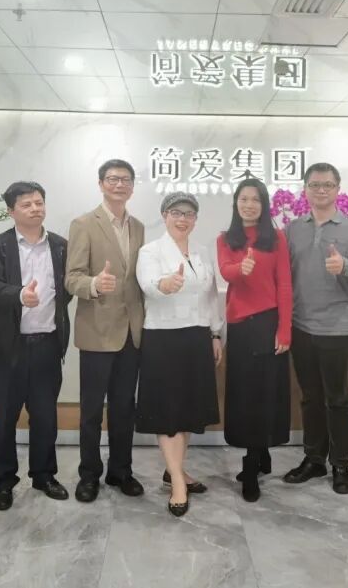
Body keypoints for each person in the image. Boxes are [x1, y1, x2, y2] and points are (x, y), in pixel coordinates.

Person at [0, 181, 73, 511]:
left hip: (47, 345)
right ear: (11, 211)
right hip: (7, 349)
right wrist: (19, 295)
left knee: (45, 417)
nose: (35, 208)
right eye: (26, 204)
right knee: (4, 418)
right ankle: (3, 482)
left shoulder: (60, 246)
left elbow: (66, 290)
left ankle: (44, 475)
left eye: (38, 202)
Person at [283, 162, 348, 495]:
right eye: (315, 185)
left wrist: (343, 265)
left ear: (338, 189)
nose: (321, 190)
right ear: (305, 189)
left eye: (328, 185)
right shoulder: (292, 229)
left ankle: (341, 465)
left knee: (338, 399)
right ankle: (314, 459)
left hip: (338, 327)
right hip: (301, 325)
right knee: (310, 398)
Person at [136, 192, 223, 516]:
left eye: (188, 214)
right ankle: (177, 483)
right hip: (163, 337)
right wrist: (165, 284)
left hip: (197, 336)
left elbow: (210, 297)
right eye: (176, 212)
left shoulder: (201, 251)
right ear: (164, 215)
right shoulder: (150, 251)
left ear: (195, 219)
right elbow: (147, 284)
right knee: (168, 412)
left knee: (187, 410)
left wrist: (215, 333)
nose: (182, 219)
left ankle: (175, 469)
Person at [66, 159, 146, 503]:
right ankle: (89, 475)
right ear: (101, 184)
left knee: (124, 408)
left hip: (131, 333)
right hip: (97, 331)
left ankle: (121, 471)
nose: (119, 184)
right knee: (91, 411)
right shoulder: (84, 224)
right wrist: (95, 284)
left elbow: (137, 280)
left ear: (132, 186)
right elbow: (71, 278)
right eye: (113, 179)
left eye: (125, 179)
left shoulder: (138, 227)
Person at [216, 179, 292, 502]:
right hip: (240, 326)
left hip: (268, 323)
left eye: (255, 200)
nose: (249, 205)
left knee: (266, 394)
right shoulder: (225, 238)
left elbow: (284, 284)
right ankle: (254, 457)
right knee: (245, 396)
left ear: (264, 205)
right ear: (236, 203)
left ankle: (256, 458)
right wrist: (240, 268)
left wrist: (285, 330)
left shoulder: (276, 238)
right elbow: (225, 271)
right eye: (244, 199)